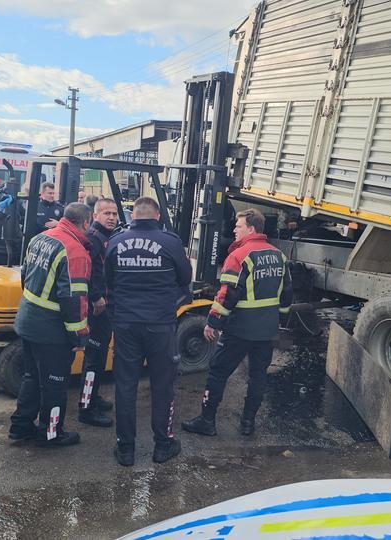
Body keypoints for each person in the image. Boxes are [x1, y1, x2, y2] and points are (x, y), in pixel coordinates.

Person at [182, 209, 292, 437]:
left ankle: (207, 420)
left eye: (238, 226)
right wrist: (277, 320)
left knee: (218, 371)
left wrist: (212, 322)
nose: (234, 229)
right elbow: (286, 295)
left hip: (240, 329)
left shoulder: (240, 255)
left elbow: (227, 295)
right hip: (267, 330)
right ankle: (248, 424)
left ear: (251, 229)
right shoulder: (279, 256)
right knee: (258, 375)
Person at [106, 197, 192, 466]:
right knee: (162, 385)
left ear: (132, 216)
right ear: (157, 216)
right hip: (160, 324)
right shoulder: (171, 242)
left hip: (126, 324)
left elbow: (109, 279)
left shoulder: (116, 242)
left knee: (125, 386)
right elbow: (185, 279)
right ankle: (163, 445)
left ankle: (126, 449)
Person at [9, 203, 92, 447]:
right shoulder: (74, 251)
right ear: (86, 223)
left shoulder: (41, 237)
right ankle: (51, 432)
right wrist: (79, 337)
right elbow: (74, 300)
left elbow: (25, 276)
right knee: (55, 384)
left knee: (31, 377)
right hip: (51, 332)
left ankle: (20, 426)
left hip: (28, 321)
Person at [77, 198, 118, 428]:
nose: (111, 217)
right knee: (94, 359)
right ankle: (86, 408)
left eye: (113, 213)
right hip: (97, 310)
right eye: (106, 213)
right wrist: (95, 296)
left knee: (101, 357)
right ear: (95, 215)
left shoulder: (106, 237)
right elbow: (86, 271)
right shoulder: (93, 239)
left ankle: (92, 396)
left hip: (105, 308)